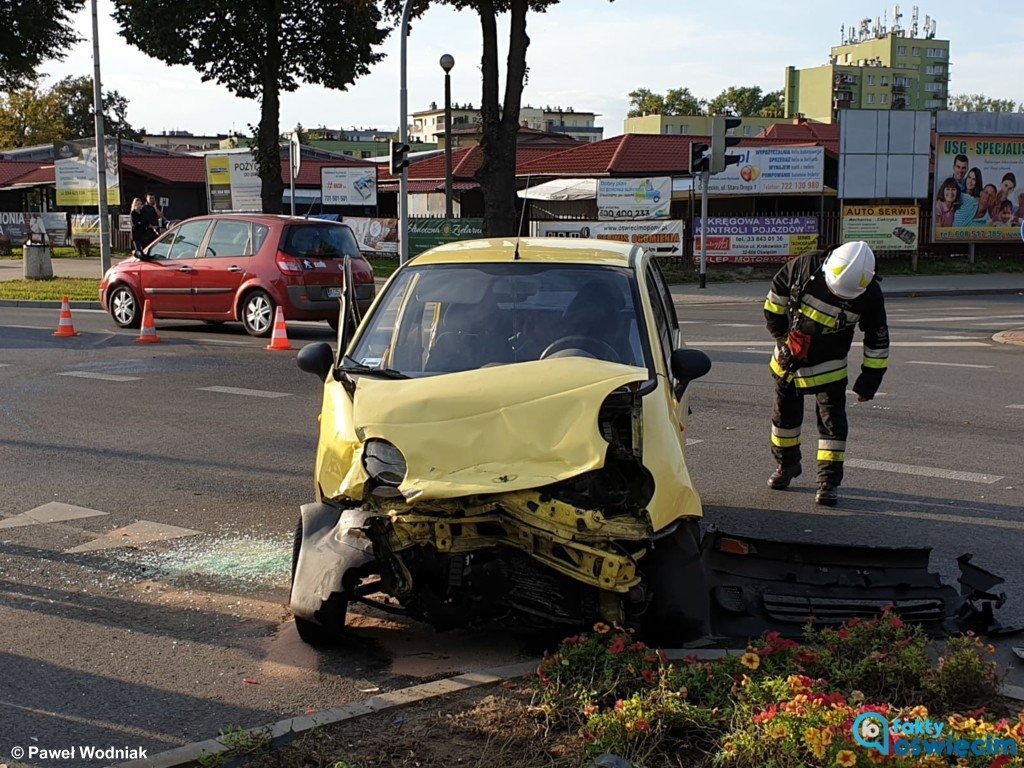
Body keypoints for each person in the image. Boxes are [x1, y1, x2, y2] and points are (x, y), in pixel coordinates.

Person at [763, 241, 889, 507]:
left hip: (829, 366)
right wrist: (784, 342)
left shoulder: (869, 294)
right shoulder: (802, 266)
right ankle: (786, 466)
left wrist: (868, 383)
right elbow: (773, 308)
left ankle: (828, 483)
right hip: (789, 361)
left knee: (832, 425)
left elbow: (877, 340)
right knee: (783, 420)